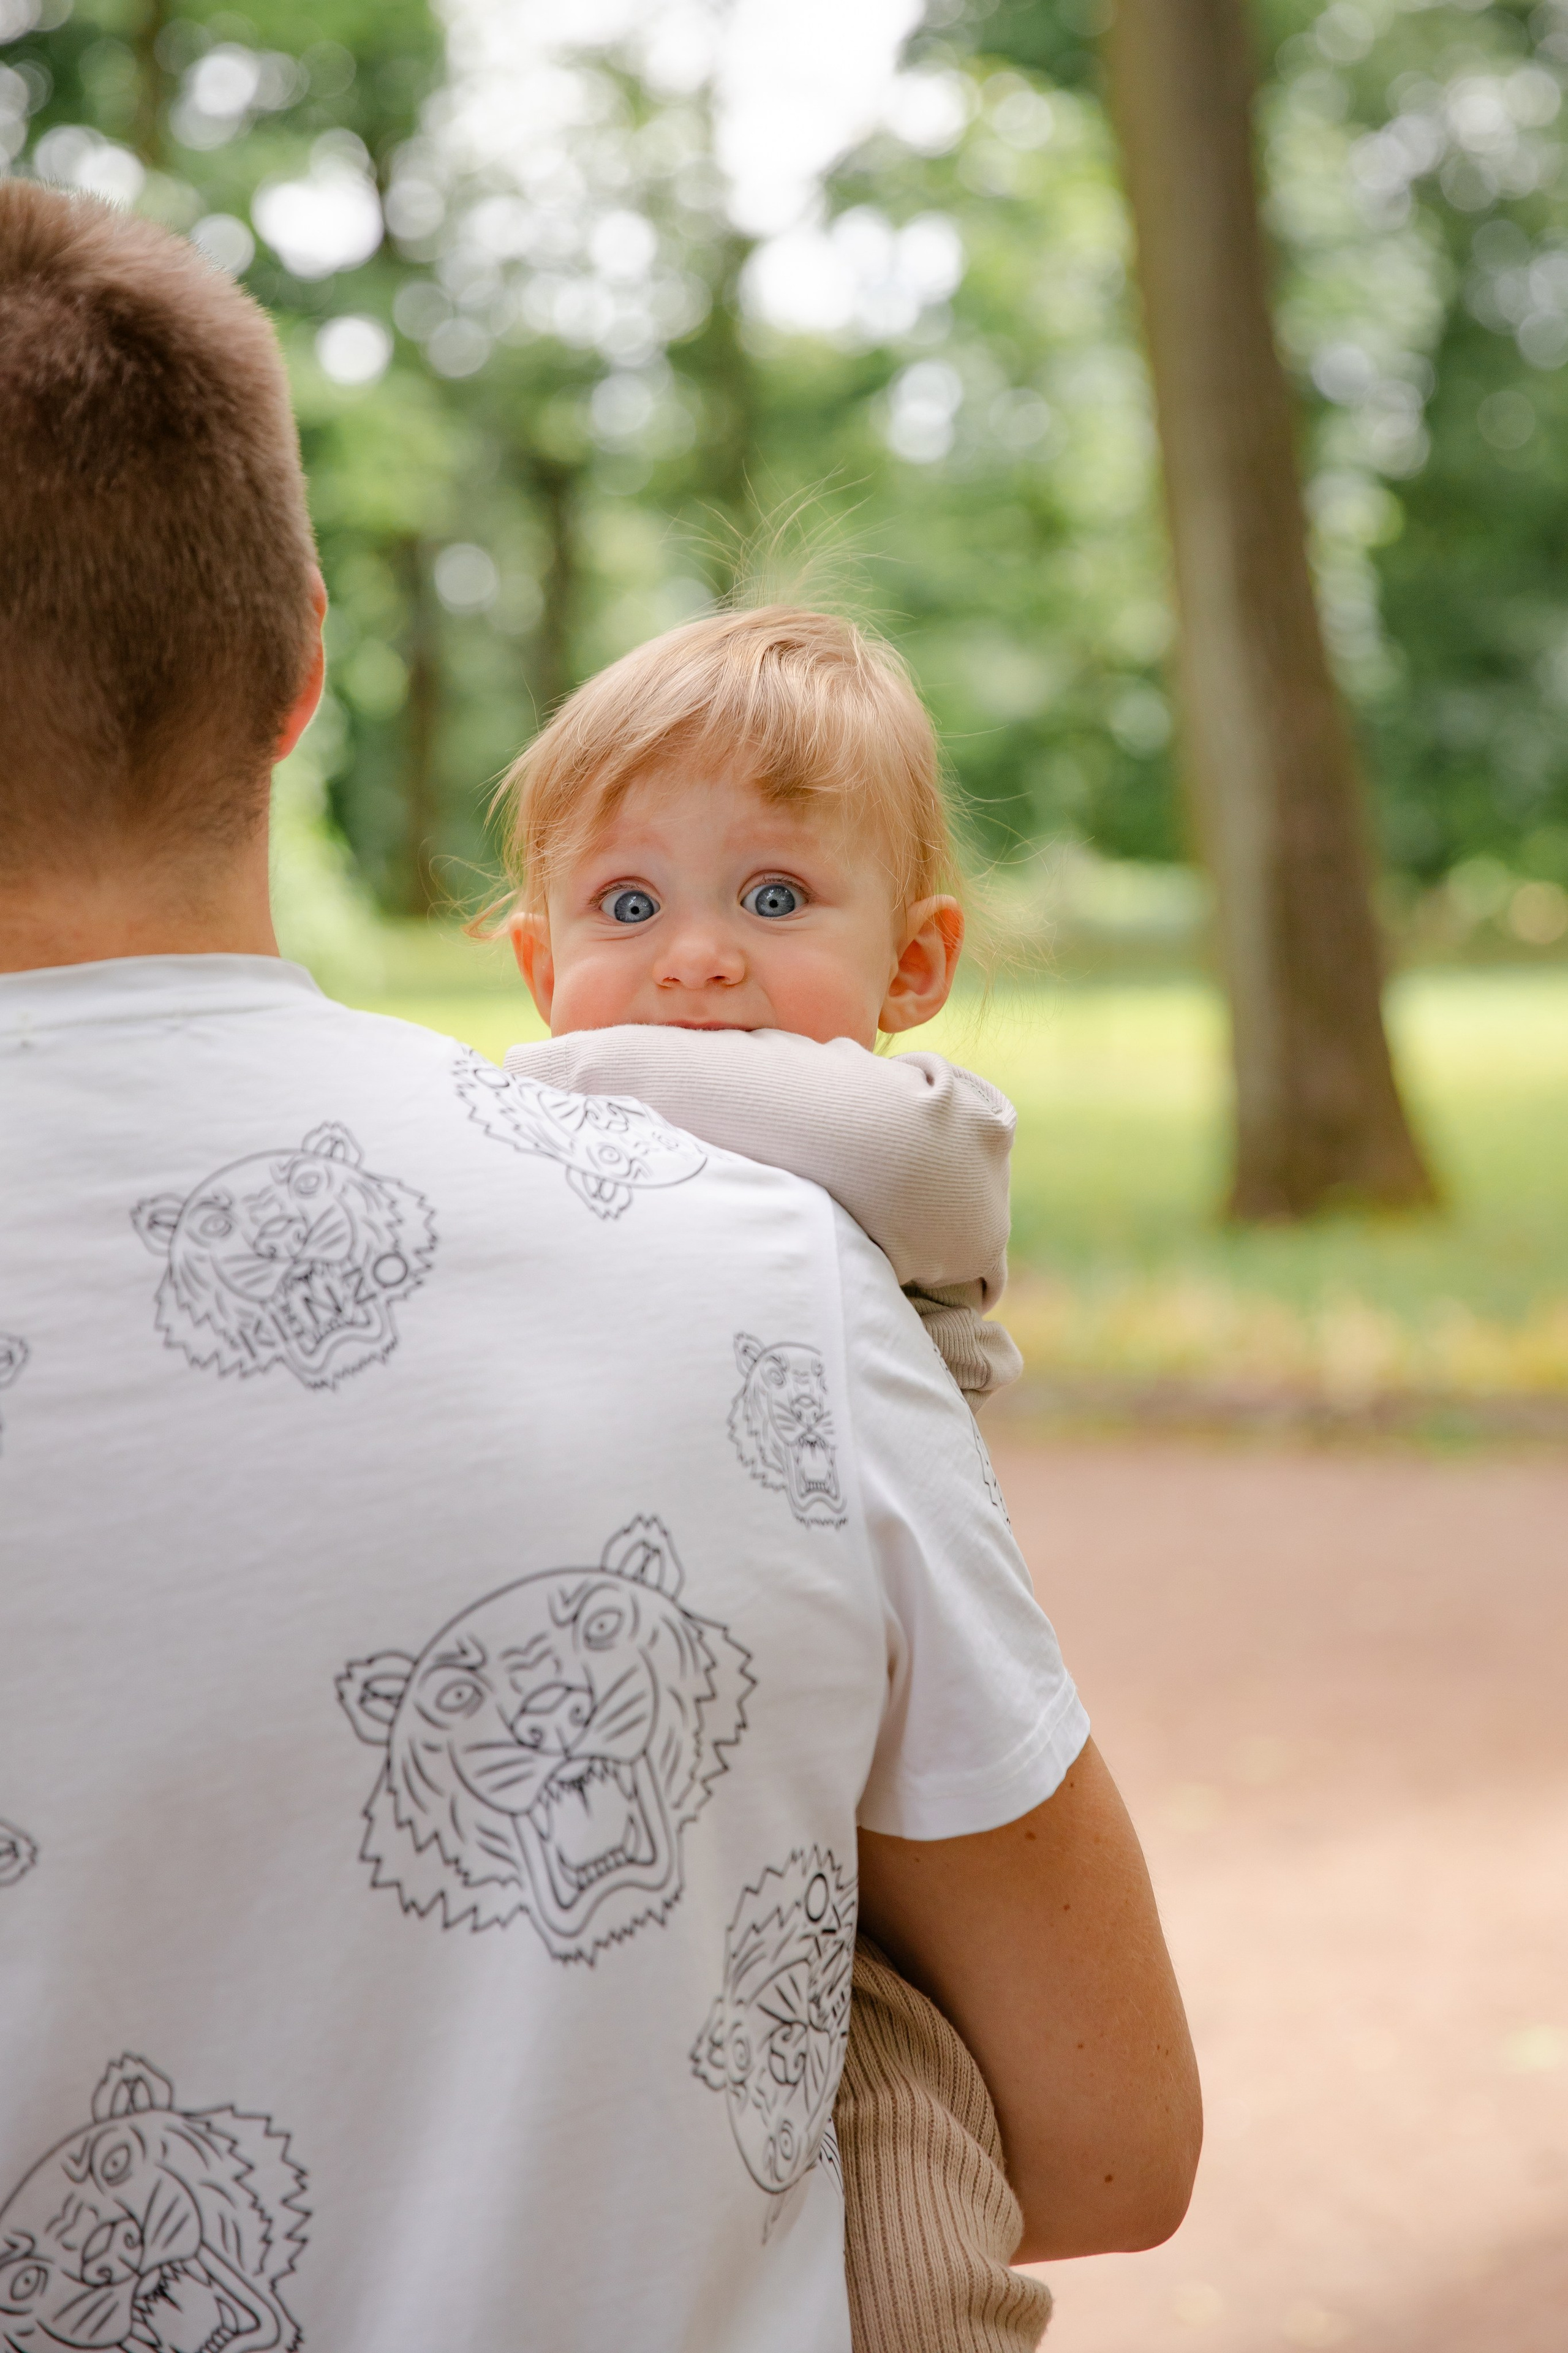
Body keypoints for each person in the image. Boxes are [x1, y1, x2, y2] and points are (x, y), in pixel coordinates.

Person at [0, 183, 1200, 2353]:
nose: (702, 968)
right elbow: (1115, 2141)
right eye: (636, 910)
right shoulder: (753, 1265)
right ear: (299, 664)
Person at [486, 603, 1085, 2351]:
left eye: (771, 898)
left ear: (915, 963)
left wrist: (524, 1080)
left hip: (857, 1864)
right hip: (629, 1773)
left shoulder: (901, 1132)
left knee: (908, 2239)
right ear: (537, 953)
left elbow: (858, 1136)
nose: (694, 963)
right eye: (624, 906)